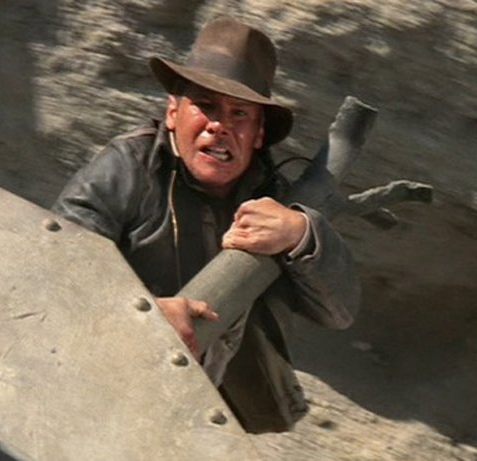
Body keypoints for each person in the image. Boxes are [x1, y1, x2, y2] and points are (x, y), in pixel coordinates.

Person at [53, 16, 360, 433]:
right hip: (87, 384)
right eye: (206, 106)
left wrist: (302, 234)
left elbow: (339, 311)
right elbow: (54, 267)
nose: (220, 125)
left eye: (239, 113)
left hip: (193, 411)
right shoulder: (128, 168)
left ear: (258, 134)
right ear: (173, 112)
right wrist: (144, 311)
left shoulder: (273, 200)